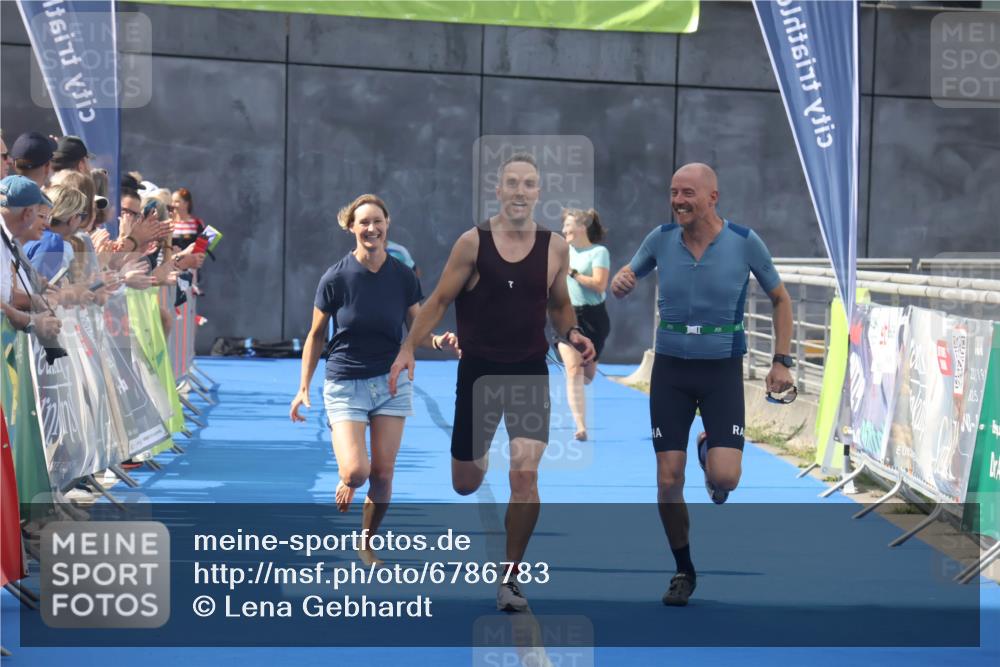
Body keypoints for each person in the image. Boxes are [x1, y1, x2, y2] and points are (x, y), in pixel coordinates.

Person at [389, 153, 595, 612]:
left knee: (524, 477)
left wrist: (574, 332)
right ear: (498, 191)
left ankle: (510, 578)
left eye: (529, 184)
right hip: (479, 372)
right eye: (511, 184)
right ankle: (475, 456)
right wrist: (407, 349)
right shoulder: (472, 243)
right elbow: (440, 300)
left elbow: (559, 304)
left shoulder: (555, 248)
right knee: (466, 481)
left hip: (528, 372)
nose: (520, 192)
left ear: (538, 192)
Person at [610, 162, 794, 607]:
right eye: (673, 192)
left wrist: (781, 360)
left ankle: (709, 447)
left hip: (721, 371)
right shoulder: (660, 239)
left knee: (725, 480)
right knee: (668, 481)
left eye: (688, 193)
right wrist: (621, 280)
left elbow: (780, 298)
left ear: (713, 197)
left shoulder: (744, 243)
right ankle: (683, 570)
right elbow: (628, 274)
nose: (678, 201)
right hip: (671, 372)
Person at [290, 194, 458, 567]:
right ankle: (347, 477)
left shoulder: (401, 276)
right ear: (351, 228)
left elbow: (416, 323)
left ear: (387, 224)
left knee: (381, 475)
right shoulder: (335, 277)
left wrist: (436, 340)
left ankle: (366, 542)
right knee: (357, 472)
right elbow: (316, 334)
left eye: (377, 221)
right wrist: (304, 386)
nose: (371, 229)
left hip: (390, 382)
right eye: (363, 222)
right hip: (345, 381)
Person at [558, 208, 611, 441]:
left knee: (586, 376)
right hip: (566, 316)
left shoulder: (598, 253)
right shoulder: (560, 251)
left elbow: (600, 285)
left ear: (581, 227)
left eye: (568, 225)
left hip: (593, 317)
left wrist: (573, 273)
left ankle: (580, 383)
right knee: (573, 370)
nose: (563, 230)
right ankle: (580, 425)